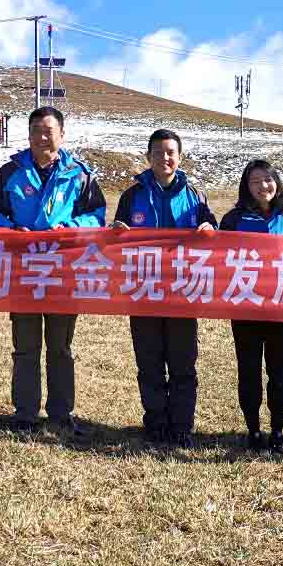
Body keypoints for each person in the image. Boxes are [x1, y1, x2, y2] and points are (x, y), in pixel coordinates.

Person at [0, 107, 106, 436]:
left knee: (60, 347)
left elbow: (97, 215)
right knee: (25, 346)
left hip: (63, 271)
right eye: (35, 130)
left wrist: (71, 228)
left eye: (48, 131)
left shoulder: (79, 175)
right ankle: (25, 413)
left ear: (62, 135)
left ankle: (61, 414)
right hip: (23, 271)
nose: (41, 137)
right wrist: (10, 228)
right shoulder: (11, 172)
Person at [112, 129, 217, 447]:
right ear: (149, 157)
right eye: (158, 152)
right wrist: (116, 232)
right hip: (143, 291)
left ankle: (182, 426)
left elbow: (213, 232)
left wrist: (209, 228)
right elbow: (116, 237)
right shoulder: (132, 196)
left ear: (180, 157)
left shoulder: (195, 196)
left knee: (183, 363)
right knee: (149, 362)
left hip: (183, 292)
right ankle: (156, 423)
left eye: (171, 152)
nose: (165, 158)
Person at [219, 160, 283, 454]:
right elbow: (219, 259)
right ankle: (253, 431)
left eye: (267, 179)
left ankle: (278, 431)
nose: (263, 186)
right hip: (245, 308)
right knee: (248, 370)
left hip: (281, 308)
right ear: (246, 186)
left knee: (280, 370)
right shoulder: (233, 219)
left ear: (276, 182)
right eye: (255, 181)